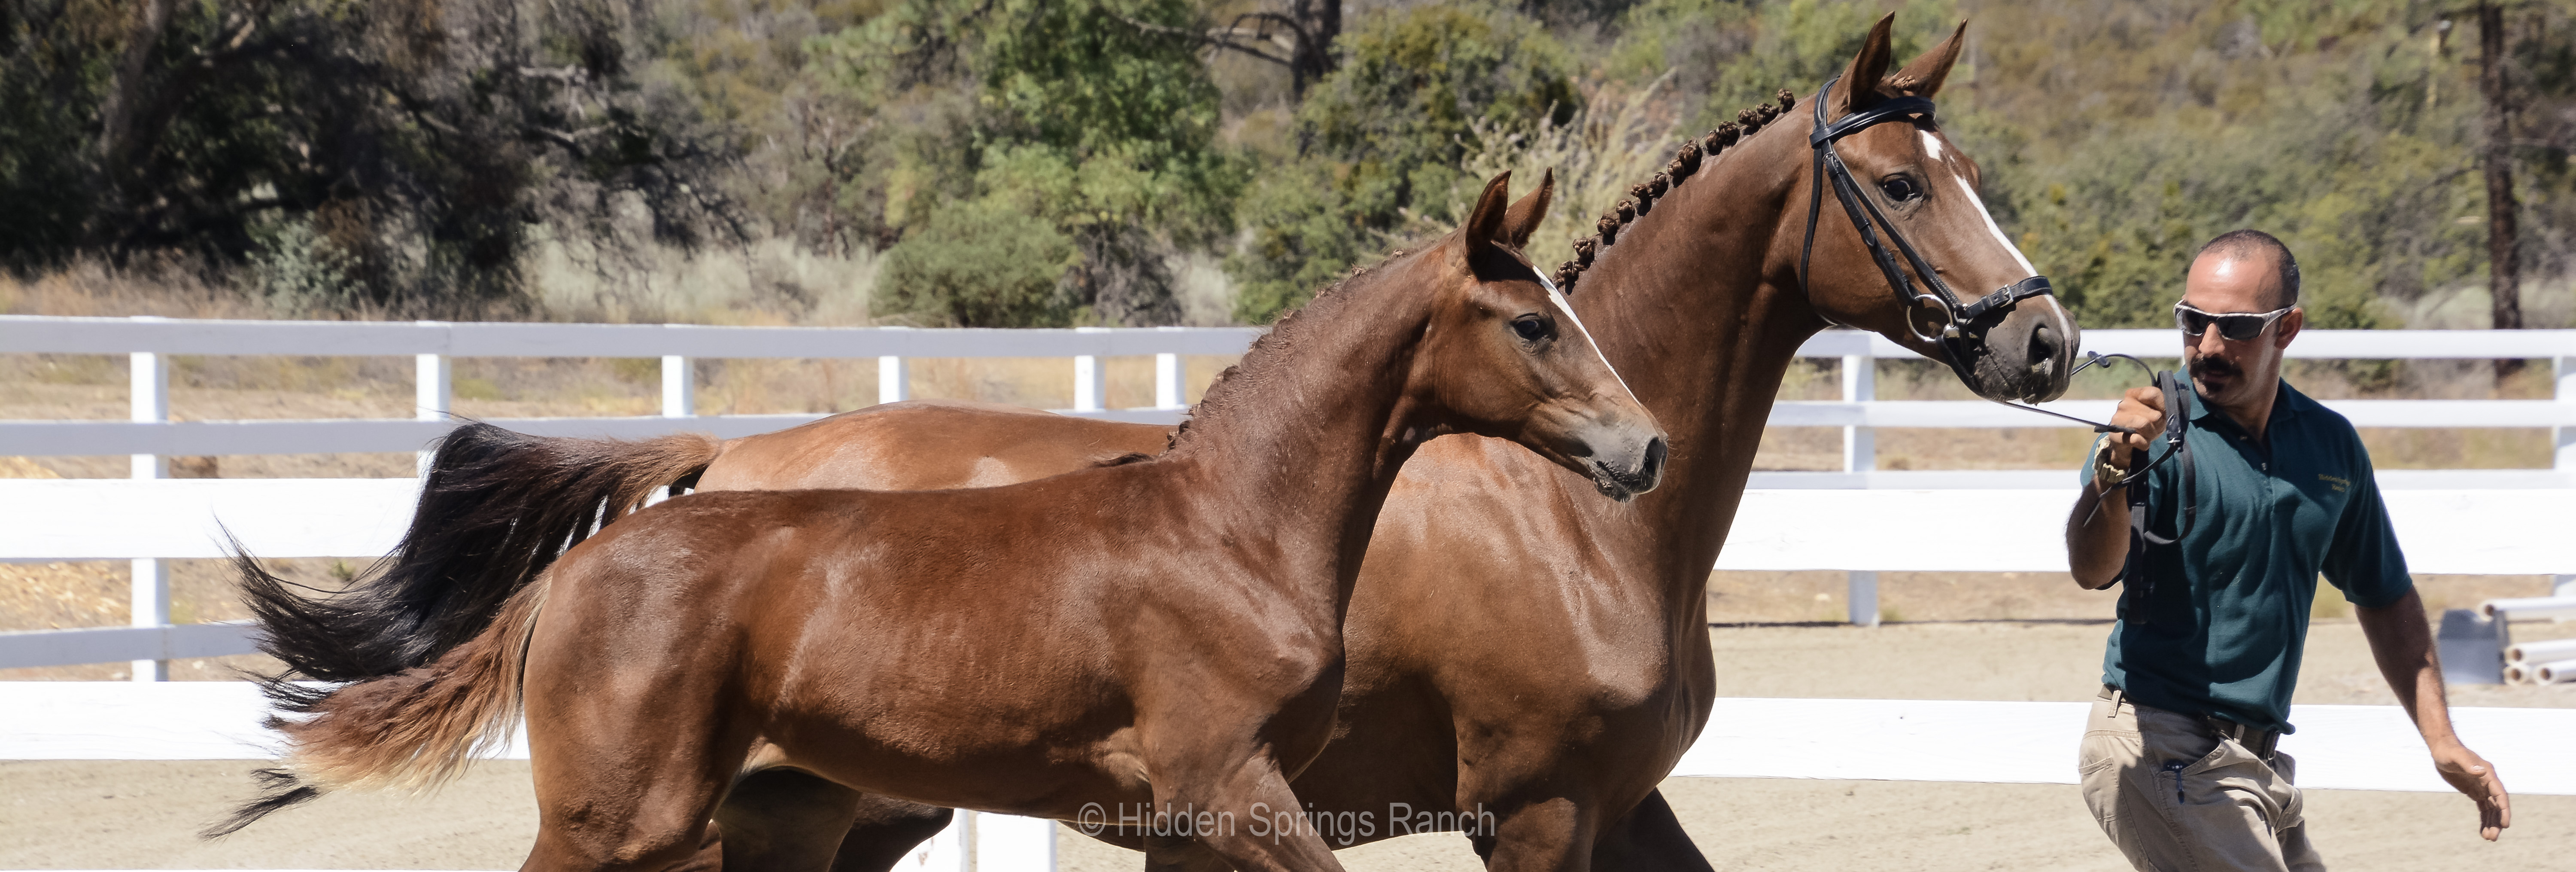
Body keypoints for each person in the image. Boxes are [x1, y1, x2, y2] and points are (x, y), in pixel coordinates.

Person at [2064, 230, 2512, 870]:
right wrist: (2112, 474)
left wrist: (2442, 741)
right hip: (2158, 744)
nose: (2209, 345)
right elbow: (2091, 567)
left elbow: (2384, 596)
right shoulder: (2151, 428)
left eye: (2237, 325)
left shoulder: (2330, 445)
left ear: (2288, 327)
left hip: (2260, 764)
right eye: (2194, 322)